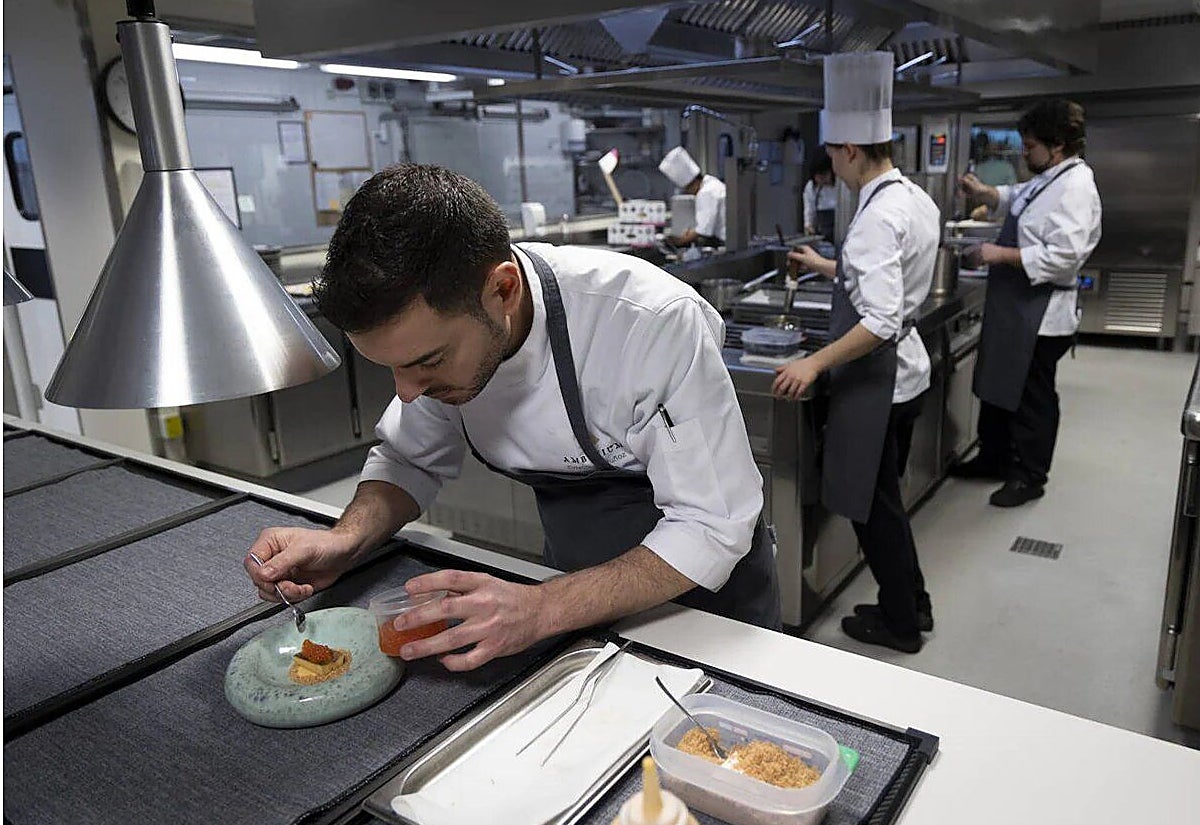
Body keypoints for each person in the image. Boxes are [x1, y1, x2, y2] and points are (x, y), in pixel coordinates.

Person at [244, 165, 781, 672]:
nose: (406, 393)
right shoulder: (444, 334)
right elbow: (408, 460)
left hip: (709, 607)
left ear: (503, 289)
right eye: (391, 369)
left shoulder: (646, 321)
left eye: (428, 362)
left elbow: (709, 525)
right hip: (576, 590)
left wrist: (543, 608)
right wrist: (346, 540)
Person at [773, 51, 939, 654]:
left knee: (872, 509)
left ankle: (900, 623)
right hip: (908, 377)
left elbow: (880, 318)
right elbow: (884, 281)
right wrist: (826, 265)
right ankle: (913, 603)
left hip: (877, 383)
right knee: (887, 502)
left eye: (833, 155)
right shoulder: (912, 198)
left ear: (848, 149)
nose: (834, 166)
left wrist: (814, 362)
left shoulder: (874, 216)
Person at [951, 100, 1102, 508]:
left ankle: (1029, 476)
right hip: (1016, 306)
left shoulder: (1077, 187)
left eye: (1031, 146)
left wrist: (999, 255)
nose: (1024, 153)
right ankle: (994, 458)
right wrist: (986, 193)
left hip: (1042, 312)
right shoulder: (1050, 178)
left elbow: (1064, 257)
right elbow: (1020, 196)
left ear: (1058, 146)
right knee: (1000, 385)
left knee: (1031, 396)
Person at [658, 146, 726, 247]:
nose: (690, 193)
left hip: (724, 242)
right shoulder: (712, 182)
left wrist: (679, 241)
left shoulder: (705, 193)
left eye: (687, 189)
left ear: (692, 184)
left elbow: (703, 230)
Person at [802, 153, 837, 240]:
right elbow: (809, 209)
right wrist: (808, 225)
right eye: (818, 176)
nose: (821, 179)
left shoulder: (840, 187)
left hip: (838, 231)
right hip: (821, 232)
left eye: (824, 174)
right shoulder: (811, 187)